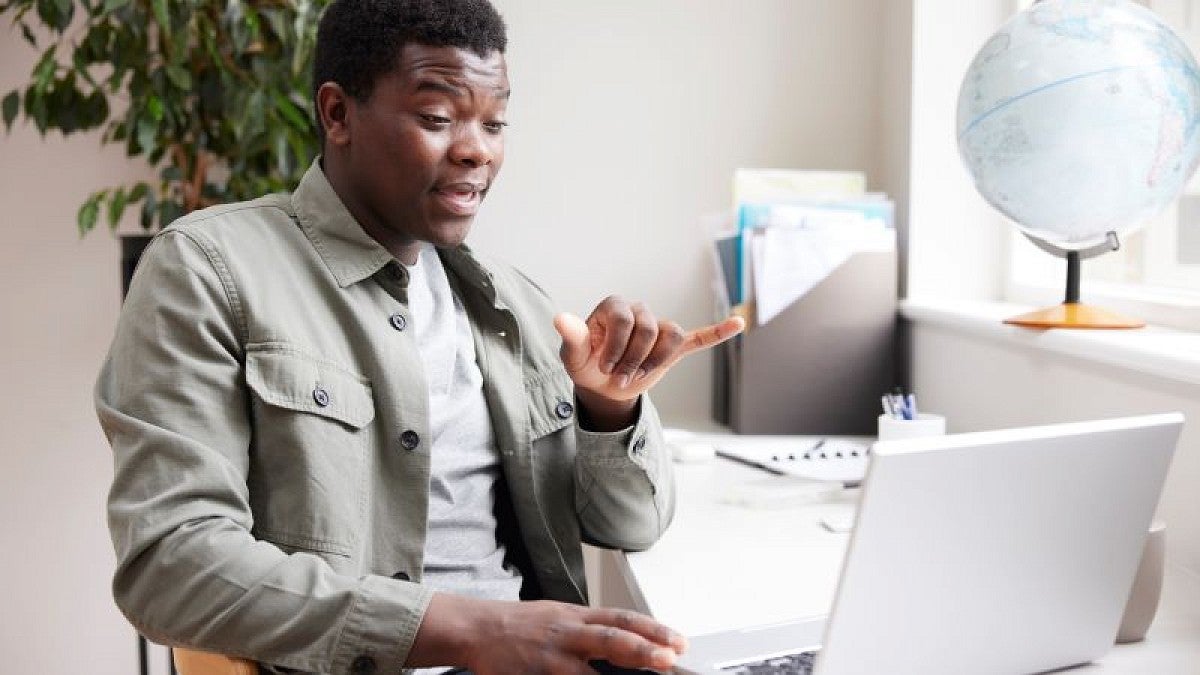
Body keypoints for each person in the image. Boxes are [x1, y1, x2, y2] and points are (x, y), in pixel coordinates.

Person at [96, 0, 744, 673]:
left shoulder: (513, 304)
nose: (476, 149)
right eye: (438, 118)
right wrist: (466, 627)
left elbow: (629, 524)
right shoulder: (209, 269)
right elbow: (169, 562)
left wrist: (609, 409)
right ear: (337, 114)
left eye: (494, 124)